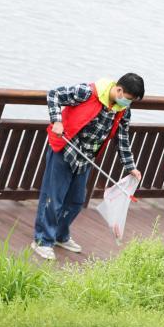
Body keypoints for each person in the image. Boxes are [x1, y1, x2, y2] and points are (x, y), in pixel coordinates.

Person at [32, 74, 145, 260]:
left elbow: (123, 138)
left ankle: (60, 235)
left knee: (76, 201)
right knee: (54, 198)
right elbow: (54, 94)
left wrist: (130, 166)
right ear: (119, 90)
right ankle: (42, 240)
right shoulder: (87, 92)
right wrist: (57, 121)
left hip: (86, 157)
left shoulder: (123, 110)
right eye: (128, 99)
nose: (128, 103)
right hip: (65, 148)